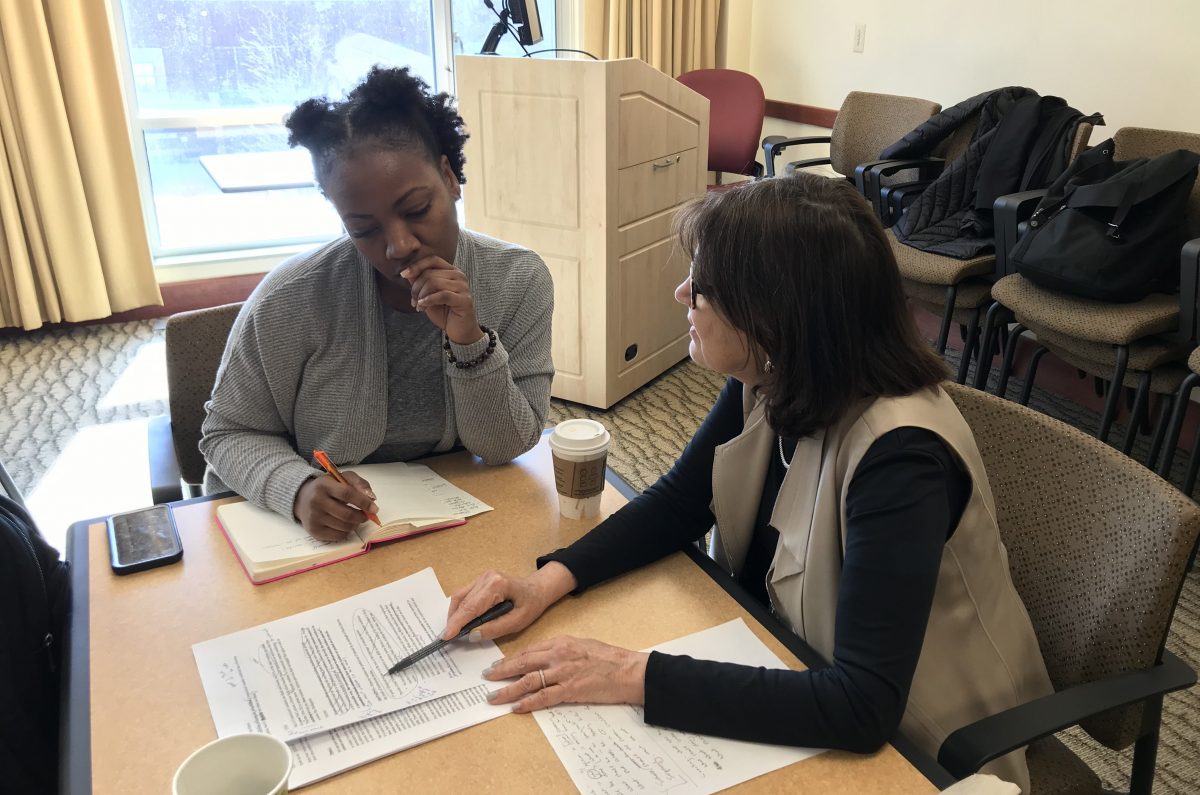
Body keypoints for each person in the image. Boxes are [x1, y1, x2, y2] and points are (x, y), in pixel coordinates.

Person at [443, 174, 1052, 792]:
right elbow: (684, 500)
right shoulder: (775, 374)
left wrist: (633, 672)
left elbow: (863, 707)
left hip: (924, 747)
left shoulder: (901, 458)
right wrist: (548, 581)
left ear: (773, 319)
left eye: (704, 286)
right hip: (791, 658)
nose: (683, 292)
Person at [200, 66, 554, 541]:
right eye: (364, 230)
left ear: (449, 178)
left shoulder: (517, 279)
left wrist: (470, 342)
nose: (399, 245)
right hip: (318, 534)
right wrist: (299, 488)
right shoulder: (291, 299)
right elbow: (228, 432)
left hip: (449, 516)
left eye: (415, 210)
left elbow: (505, 446)